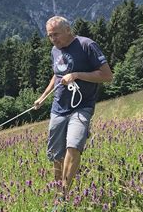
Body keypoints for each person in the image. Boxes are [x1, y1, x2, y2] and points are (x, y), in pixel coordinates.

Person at [34, 16, 113, 200]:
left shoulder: (87, 45)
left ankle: (63, 194)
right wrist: (43, 96)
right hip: (58, 107)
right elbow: (57, 74)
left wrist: (77, 75)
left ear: (68, 30)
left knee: (74, 146)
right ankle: (58, 192)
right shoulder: (55, 50)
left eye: (56, 35)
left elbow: (107, 76)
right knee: (55, 153)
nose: (53, 39)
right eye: (50, 36)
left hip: (82, 106)